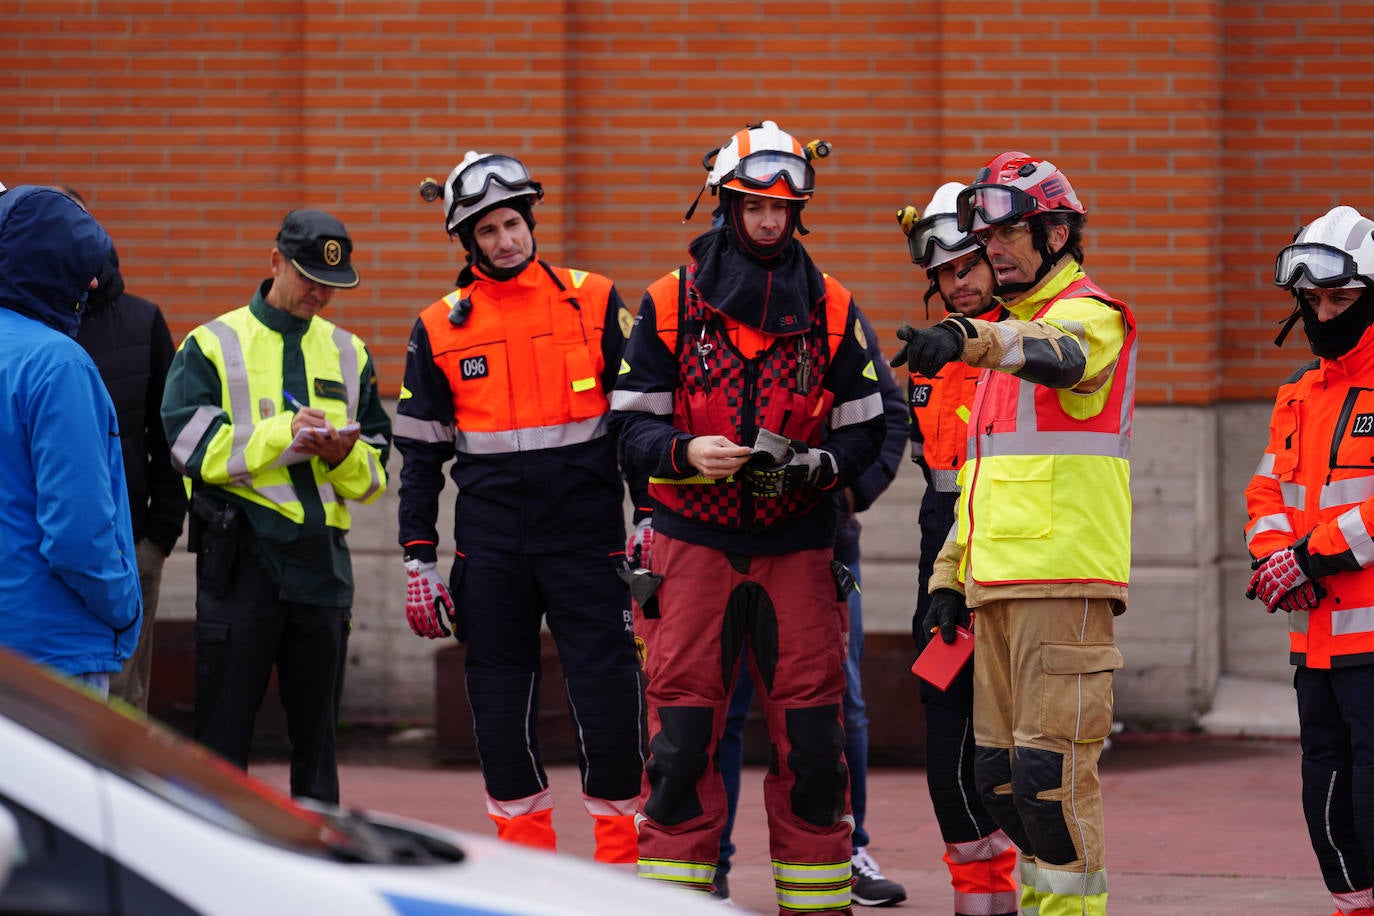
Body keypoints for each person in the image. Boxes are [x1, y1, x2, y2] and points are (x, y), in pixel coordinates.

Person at [610, 120, 885, 915]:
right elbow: (628, 427)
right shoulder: (668, 303)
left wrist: (826, 467)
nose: (770, 223)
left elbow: (872, 425)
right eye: (754, 207)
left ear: (800, 212)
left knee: (817, 745)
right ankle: (677, 901)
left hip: (799, 547)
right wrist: (685, 452)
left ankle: (817, 900)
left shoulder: (832, 309)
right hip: (690, 547)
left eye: (784, 209)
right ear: (726, 206)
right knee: (680, 740)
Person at [892, 152, 1135, 916]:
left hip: (1064, 584)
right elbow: (980, 480)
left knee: (1048, 780)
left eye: (1009, 233)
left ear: (1057, 231)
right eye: (985, 236)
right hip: (992, 588)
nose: (992, 250)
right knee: (999, 779)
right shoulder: (1003, 351)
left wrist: (968, 339)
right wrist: (945, 579)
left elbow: (1060, 358)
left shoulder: (1090, 315)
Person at [395, 152, 643, 865]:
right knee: (500, 715)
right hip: (491, 550)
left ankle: (619, 870)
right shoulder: (437, 326)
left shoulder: (592, 299)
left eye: (513, 223)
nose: (506, 240)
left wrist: (650, 517)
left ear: (530, 221)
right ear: (467, 243)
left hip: (589, 543)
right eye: (488, 231)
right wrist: (417, 556)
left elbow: (635, 426)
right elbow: (420, 457)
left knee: (609, 703)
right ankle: (525, 866)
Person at [161, 209, 391, 803]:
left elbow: (373, 473)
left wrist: (341, 453)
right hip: (241, 560)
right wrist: (284, 436)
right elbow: (189, 444)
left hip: (320, 567)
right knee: (222, 738)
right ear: (275, 263)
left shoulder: (351, 352)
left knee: (318, 749)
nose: (319, 293)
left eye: (331, 285)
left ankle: (317, 875)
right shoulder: (212, 344)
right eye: (309, 276)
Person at [712, 305, 909, 908]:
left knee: (837, 702)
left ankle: (847, 850)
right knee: (713, 708)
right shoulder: (687, 316)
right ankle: (709, 865)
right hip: (713, 551)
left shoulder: (825, 316)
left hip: (819, 548)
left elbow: (888, 415)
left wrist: (848, 492)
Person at [1245, 204, 1374, 916]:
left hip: (1372, 642)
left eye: (1342, 299)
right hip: (1314, 644)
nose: (1325, 313)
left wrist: (1311, 557)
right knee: (1328, 816)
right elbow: (1266, 488)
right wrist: (1273, 557)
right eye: (1314, 300)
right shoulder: (1297, 392)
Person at [898, 182, 1018, 916]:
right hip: (941, 545)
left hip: (1014, 553)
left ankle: (1018, 896)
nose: (959, 283)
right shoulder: (926, 357)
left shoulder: (1029, 344)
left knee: (1013, 750)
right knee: (946, 740)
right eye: (944, 272)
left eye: (970, 264)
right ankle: (980, 900)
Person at [0, 185, 141, 698]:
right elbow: (77, 533)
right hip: (50, 653)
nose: (95, 279)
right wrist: (125, 607)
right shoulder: (57, 364)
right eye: (84, 264)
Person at [60, 186, 188, 712]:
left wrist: (157, 540)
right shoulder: (25, 326)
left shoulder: (142, 320)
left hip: (130, 547)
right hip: (38, 555)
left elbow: (171, 436)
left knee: (121, 705)